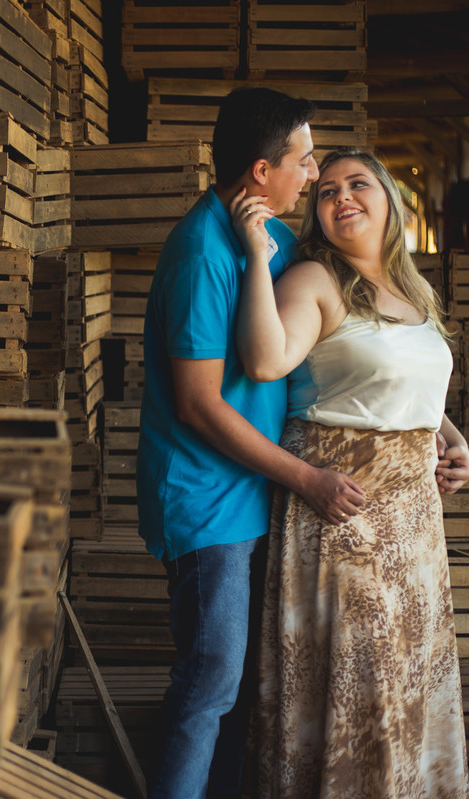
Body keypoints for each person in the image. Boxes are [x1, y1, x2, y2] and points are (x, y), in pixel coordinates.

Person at [137, 88, 367, 799]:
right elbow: (197, 403)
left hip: (259, 493)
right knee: (211, 680)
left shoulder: (276, 241)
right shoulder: (203, 252)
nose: (313, 174)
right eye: (305, 161)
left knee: (245, 688)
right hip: (209, 501)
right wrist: (305, 478)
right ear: (262, 171)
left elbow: (345, 339)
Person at [229, 147, 469, 797]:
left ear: (389, 198)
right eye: (327, 190)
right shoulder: (314, 279)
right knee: (358, 693)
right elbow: (265, 360)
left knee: (408, 685)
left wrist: (449, 437)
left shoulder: (412, 290)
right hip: (345, 513)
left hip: (415, 527)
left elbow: (408, 385)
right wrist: (255, 256)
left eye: (357, 184)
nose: (341, 197)